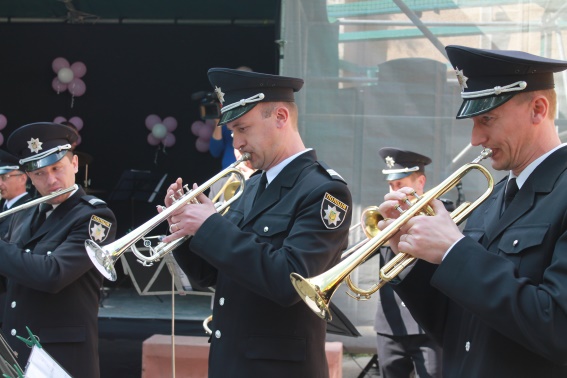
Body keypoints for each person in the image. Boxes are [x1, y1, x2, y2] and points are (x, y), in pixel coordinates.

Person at [377, 45, 567, 377]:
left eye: (487, 119)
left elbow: (558, 327)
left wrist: (453, 251)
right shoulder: (493, 199)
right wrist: (410, 257)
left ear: (538, 109)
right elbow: (457, 328)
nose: (476, 138)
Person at [161, 68, 352, 377]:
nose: (237, 143)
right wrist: (186, 231)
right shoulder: (252, 185)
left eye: (242, 129)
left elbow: (289, 282)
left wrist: (210, 227)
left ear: (280, 117)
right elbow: (213, 275)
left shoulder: (325, 191)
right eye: (233, 132)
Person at [2, 122, 117, 378]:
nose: (51, 180)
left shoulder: (96, 216)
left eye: (57, 168)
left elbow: (53, 275)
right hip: (15, 352)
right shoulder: (23, 214)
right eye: (40, 174)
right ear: (29, 177)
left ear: (74, 164)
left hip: (60, 360)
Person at [373, 147, 442, 378]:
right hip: (389, 325)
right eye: (391, 186)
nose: (394, 191)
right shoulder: (381, 220)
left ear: (420, 182)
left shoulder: (441, 217)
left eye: (400, 185)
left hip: (426, 324)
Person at [209, 66, 254, 169]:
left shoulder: (258, 109)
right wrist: (218, 120)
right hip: (229, 176)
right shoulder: (229, 110)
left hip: (252, 175)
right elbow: (215, 151)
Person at [0, 150, 32, 239]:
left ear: (22, 179)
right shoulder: (3, 206)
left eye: (4, 177)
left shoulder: (29, 209)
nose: (0, 183)